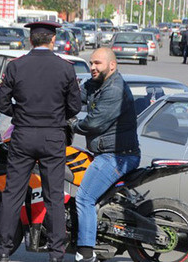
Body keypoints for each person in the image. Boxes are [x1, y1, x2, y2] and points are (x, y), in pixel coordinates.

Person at [0, 21, 82, 262]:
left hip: (22, 133)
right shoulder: (65, 68)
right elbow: (75, 106)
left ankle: (3, 249)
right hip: (53, 135)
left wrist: (22, 114)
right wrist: (55, 117)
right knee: (53, 194)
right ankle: (56, 253)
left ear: (30, 40)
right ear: (52, 40)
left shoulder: (16, 66)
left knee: (12, 193)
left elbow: (1, 103)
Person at [69, 47, 141, 262]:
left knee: (84, 197)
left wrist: (71, 124)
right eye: (91, 63)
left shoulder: (114, 89)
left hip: (116, 155)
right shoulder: (96, 84)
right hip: (108, 152)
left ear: (112, 65)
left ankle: (86, 252)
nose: (92, 67)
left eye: (97, 63)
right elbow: (74, 99)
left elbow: (94, 123)